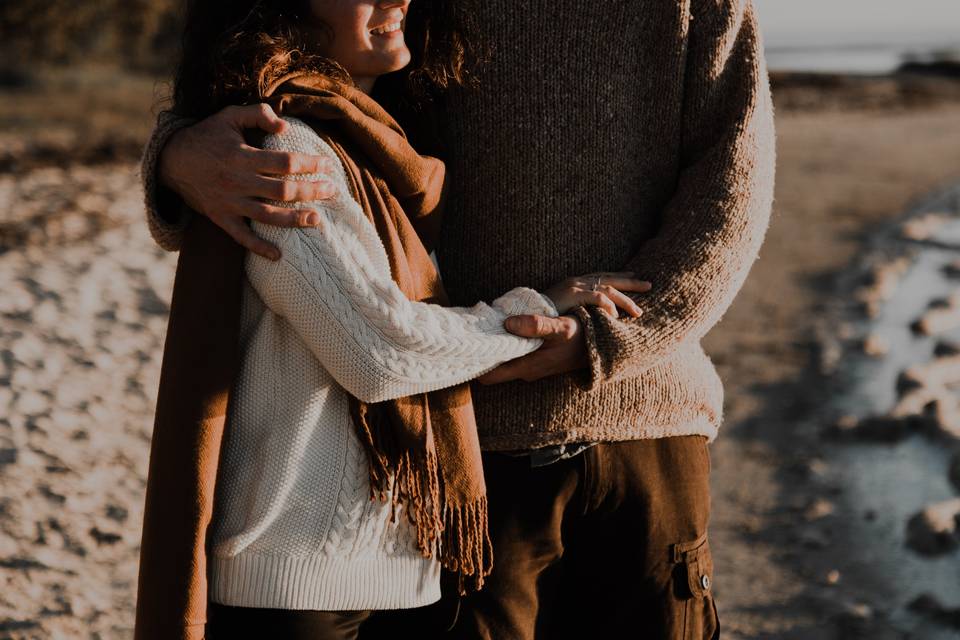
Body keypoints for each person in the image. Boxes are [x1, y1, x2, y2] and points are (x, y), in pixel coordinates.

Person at [140, 0, 776, 638]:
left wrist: (611, 337)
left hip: (648, 418)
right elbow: (267, 72)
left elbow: (733, 187)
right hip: (465, 439)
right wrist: (175, 153)